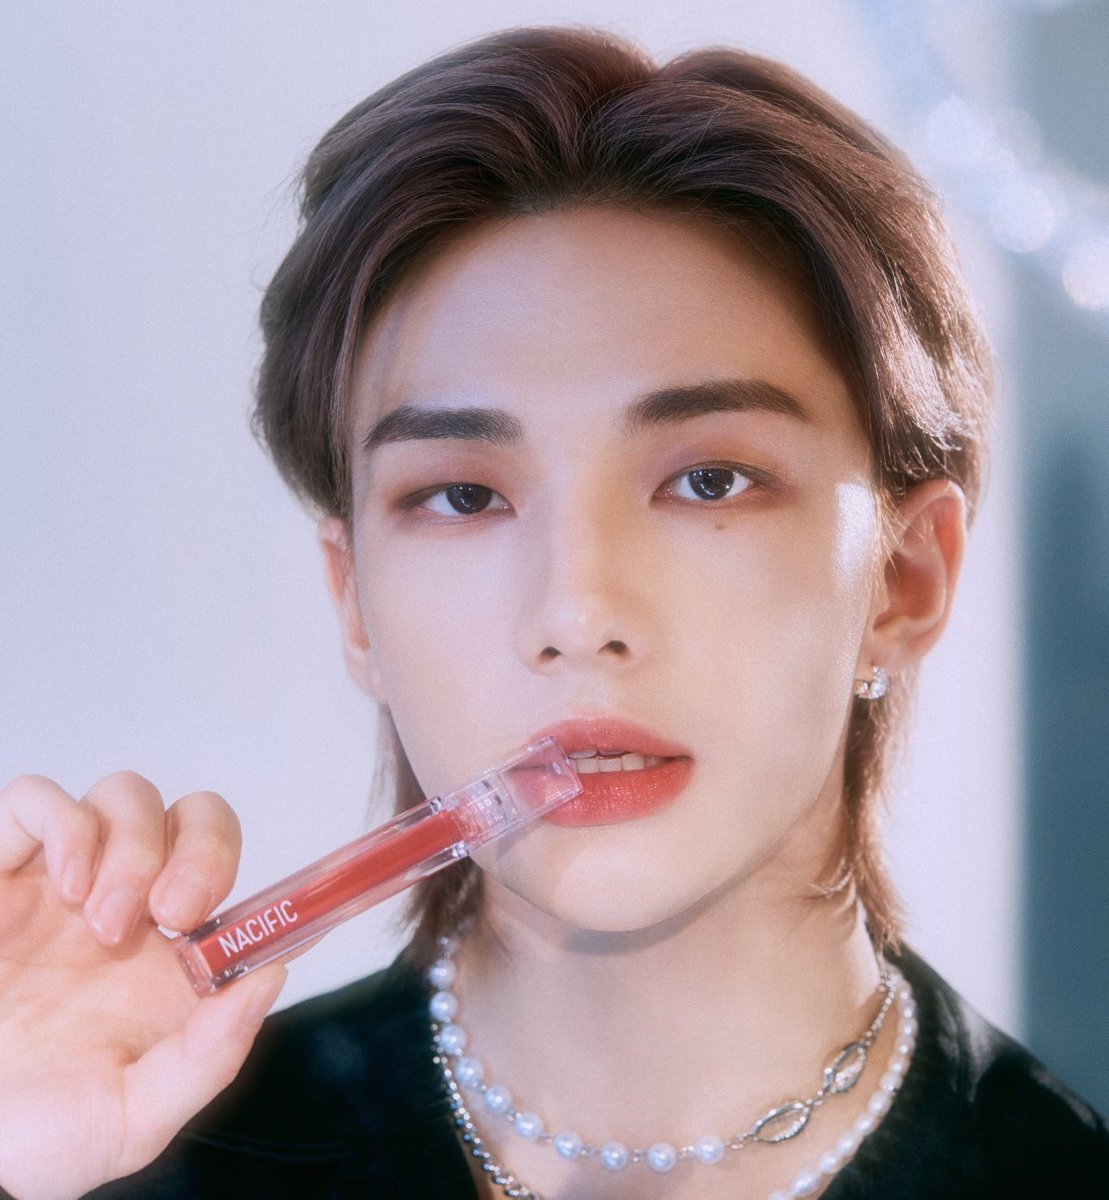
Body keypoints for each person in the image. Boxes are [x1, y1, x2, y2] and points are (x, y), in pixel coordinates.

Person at [1, 24, 1105, 1200]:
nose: (576, 613)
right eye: (462, 496)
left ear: (904, 579)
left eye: (708, 481)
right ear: (354, 601)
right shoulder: (138, 1160)